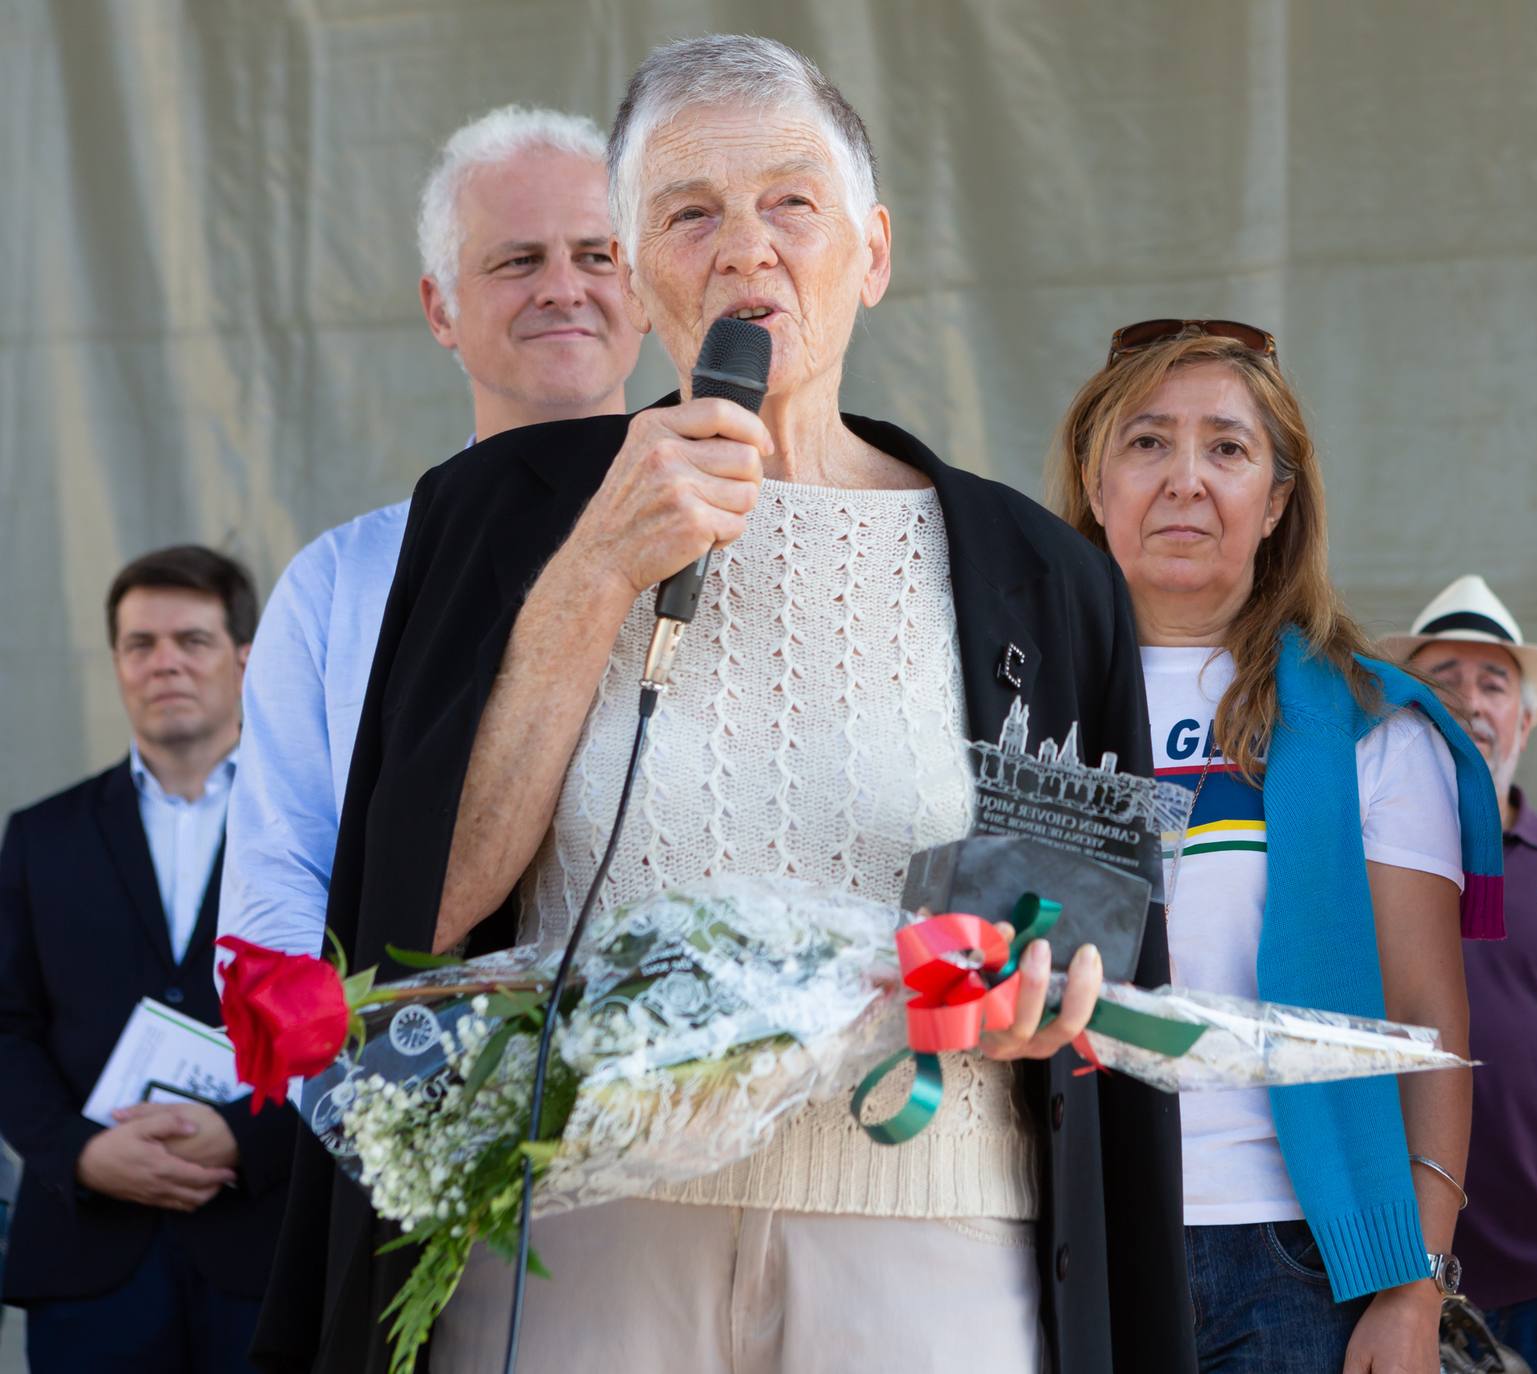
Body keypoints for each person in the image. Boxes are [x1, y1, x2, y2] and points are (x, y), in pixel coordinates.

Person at [253, 36, 1190, 1374]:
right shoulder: (502, 516)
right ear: (636, 277)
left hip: (931, 1231)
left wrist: (1056, 983)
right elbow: (422, 911)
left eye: (791, 202)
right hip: (583, 1232)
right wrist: (597, 568)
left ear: (870, 252)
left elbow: (1091, 925)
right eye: (689, 211)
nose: (746, 248)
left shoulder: (1039, 574)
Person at [1049, 321, 1503, 1374]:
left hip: (1302, 1264)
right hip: (1068, 1231)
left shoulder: (1372, 726)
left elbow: (1431, 1020)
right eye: (1148, 443)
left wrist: (1416, 1282)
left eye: (1228, 448)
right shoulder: (1016, 696)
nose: (1186, 481)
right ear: (1094, 479)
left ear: (1279, 501)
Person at [218, 103, 641, 964]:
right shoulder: (337, 585)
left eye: (597, 255)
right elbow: (277, 884)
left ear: (644, 290)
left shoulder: (741, 528)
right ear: (440, 309)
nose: (564, 286)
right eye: (518, 261)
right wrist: (365, 1083)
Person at [0, 547, 295, 1373]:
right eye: (140, 644)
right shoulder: (41, 836)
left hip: (265, 1246)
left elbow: (356, 1014)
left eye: (191, 640)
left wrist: (247, 1138)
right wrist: (79, 1153)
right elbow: (6, 1026)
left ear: (246, 658)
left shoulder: (316, 832)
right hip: (92, 1256)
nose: (163, 661)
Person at [1377, 575, 1537, 1374]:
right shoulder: (1363, 869)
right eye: (1443, 682)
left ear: (1525, 720)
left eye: (1494, 684)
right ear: (1407, 716)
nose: (1469, 701)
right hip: (1406, 1285)